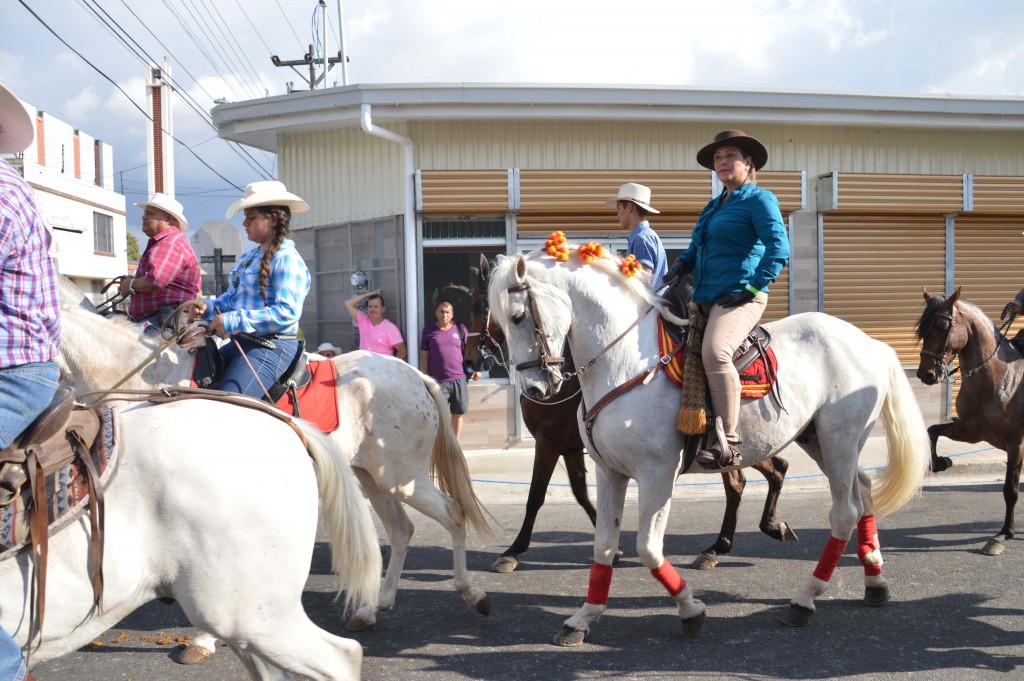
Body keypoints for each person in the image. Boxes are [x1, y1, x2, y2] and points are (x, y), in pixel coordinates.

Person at [666, 130, 789, 468]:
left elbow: (780, 248)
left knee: (715, 352)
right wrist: (680, 264)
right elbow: (697, 248)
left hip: (740, 297)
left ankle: (729, 440)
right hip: (705, 295)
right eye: (718, 159)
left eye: (730, 156)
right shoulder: (712, 206)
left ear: (748, 163)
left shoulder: (760, 199)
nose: (722, 162)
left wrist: (752, 288)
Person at [1, 80, 55, 681]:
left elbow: (278, 311)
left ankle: (6, 668)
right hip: (22, 357)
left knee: (241, 383)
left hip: (10, 368)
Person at [191, 181, 311, 399]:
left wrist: (230, 321)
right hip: (245, 342)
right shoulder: (250, 257)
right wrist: (207, 308)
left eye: (251, 217)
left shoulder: (287, 259)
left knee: (227, 407)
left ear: (272, 219)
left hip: (271, 347)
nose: (244, 223)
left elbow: (286, 313)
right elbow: (232, 298)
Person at [118, 193, 201, 329]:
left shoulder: (169, 243)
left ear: (168, 218)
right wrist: (134, 282)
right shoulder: (166, 242)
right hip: (163, 317)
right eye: (145, 213)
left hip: (166, 319)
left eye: (150, 213)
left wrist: (130, 284)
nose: (143, 217)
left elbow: (155, 281)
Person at [420, 299, 481, 440]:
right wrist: (425, 375)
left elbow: (470, 351)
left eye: (447, 312)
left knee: (457, 414)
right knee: (439, 415)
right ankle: (441, 445)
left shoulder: (460, 329)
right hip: (438, 381)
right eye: (441, 312)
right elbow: (425, 353)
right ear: (436, 313)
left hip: (459, 379)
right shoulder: (429, 330)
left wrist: (476, 369)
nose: (444, 315)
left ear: (452, 314)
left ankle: (455, 445)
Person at [605, 182, 668, 289]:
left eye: (619, 209)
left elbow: (644, 282)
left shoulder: (641, 239)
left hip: (648, 306)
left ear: (629, 207)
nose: (617, 215)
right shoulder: (644, 236)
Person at [344, 289, 407, 360]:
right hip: (365, 368)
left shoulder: (390, 328)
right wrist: (369, 294)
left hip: (381, 369)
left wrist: (391, 368)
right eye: (370, 306)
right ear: (367, 309)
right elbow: (347, 303)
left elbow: (402, 351)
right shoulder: (363, 320)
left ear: (383, 309)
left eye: (376, 306)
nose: (373, 309)